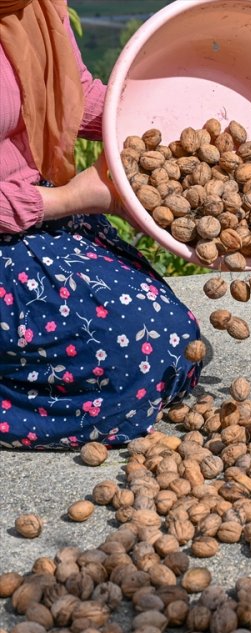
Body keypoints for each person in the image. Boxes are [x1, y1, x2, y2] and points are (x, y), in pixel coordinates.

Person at [0, 0, 201, 449]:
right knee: (132, 369)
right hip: (26, 216)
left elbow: (79, 94)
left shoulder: (32, 5)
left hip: (35, 205)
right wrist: (71, 199)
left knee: (173, 341)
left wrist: (174, 130)